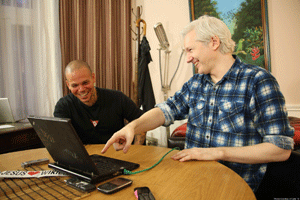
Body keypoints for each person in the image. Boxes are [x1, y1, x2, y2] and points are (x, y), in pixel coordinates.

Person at [101, 15, 294, 192]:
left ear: (214, 42)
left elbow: (280, 149)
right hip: (191, 180)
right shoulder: (195, 83)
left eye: (190, 50)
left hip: (233, 187)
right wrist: (133, 127)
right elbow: (165, 111)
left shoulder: (258, 81)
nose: (187, 59)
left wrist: (216, 153)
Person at [54, 60, 145, 145]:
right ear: (68, 85)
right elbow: (62, 141)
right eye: (75, 85)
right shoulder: (63, 106)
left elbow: (142, 122)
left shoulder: (117, 98)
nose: (81, 89)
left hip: (117, 154)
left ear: (93, 78)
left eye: (85, 83)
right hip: (84, 158)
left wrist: (136, 150)